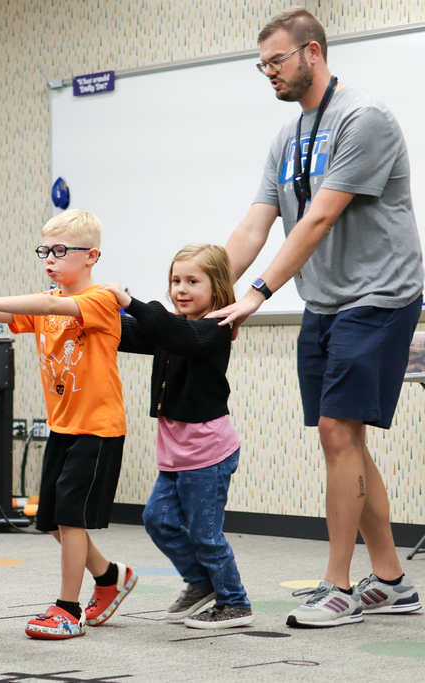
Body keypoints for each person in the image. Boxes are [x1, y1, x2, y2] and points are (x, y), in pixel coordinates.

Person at [210, 8, 423, 627]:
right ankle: (392, 581)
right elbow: (257, 223)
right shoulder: (288, 136)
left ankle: (338, 585)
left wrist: (256, 292)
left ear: (312, 52)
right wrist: (205, 282)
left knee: (336, 432)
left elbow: (320, 217)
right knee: (344, 439)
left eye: (275, 60)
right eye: (262, 65)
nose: (268, 73)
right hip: (326, 302)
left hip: (380, 297)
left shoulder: (365, 119)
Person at [0, 209, 136, 640]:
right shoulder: (47, 302)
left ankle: (68, 609)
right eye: (45, 250)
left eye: (60, 250)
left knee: (72, 519)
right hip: (64, 427)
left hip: (98, 427)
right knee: (52, 521)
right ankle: (110, 578)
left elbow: (51, 304)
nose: (49, 258)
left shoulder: (100, 300)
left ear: (91, 256)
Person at [103, 244, 253, 630]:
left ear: (217, 288)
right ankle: (202, 582)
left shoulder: (214, 328)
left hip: (208, 453)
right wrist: (89, 308)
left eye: (192, 281)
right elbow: (127, 332)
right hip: (176, 451)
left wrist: (131, 302)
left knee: (206, 535)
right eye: (175, 280)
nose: (181, 289)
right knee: (158, 519)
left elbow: (180, 335)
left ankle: (235, 602)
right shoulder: (173, 328)